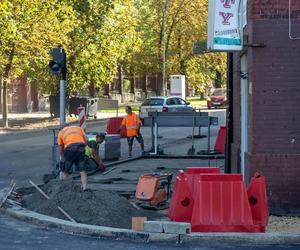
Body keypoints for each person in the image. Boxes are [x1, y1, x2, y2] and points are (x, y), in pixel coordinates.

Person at [57, 123, 89, 191]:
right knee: (82, 170)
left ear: (61, 128)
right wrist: (83, 148)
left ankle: (67, 189)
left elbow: (60, 147)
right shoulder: (78, 128)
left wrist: (62, 157)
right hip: (81, 148)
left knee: (65, 170)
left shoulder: (61, 132)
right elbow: (86, 139)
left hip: (70, 149)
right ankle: (85, 188)